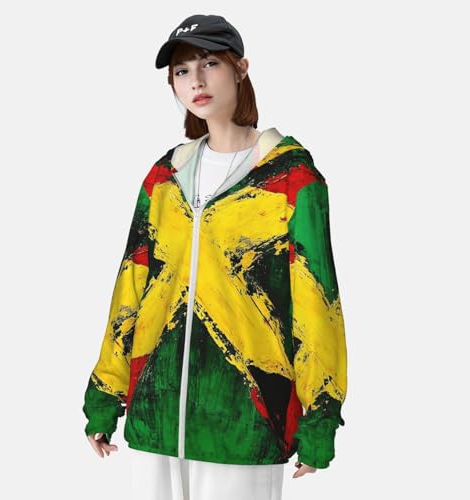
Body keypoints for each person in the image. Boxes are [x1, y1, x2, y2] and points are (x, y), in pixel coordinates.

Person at [82, 13, 348, 500]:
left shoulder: (292, 180)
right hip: (155, 418)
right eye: (182, 71)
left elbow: (317, 306)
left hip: (245, 424)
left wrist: (321, 416)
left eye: (209, 63)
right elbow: (130, 290)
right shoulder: (164, 179)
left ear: (240, 68)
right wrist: (105, 393)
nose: (196, 81)